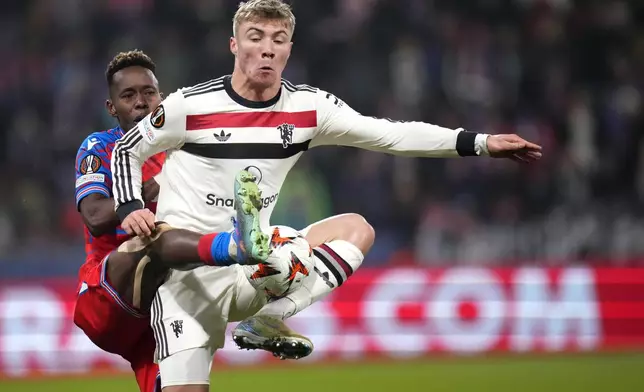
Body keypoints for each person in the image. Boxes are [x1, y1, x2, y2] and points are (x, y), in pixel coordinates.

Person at [110, 1, 542, 391]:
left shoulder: (310, 109)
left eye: (277, 40)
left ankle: (273, 316)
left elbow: (390, 134)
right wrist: (130, 207)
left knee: (355, 230)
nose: (266, 49)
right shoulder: (190, 106)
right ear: (234, 45)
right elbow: (128, 148)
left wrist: (480, 142)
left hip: (252, 266)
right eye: (255, 37)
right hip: (187, 280)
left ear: (289, 50)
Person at [73, 50, 265, 392]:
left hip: (164, 306)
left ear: (161, 98)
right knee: (153, 237)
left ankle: (265, 314)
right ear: (112, 107)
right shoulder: (100, 147)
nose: (141, 102)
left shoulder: (183, 152)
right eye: (128, 95)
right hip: (111, 297)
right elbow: (94, 216)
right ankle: (233, 252)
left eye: (149, 92)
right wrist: (146, 192)